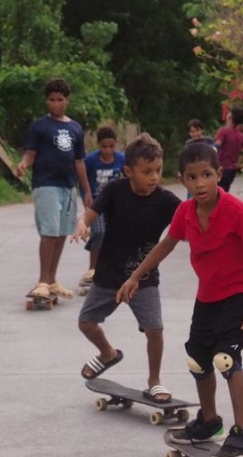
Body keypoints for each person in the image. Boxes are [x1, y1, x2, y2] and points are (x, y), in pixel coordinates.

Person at [118, 142, 243, 457]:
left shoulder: (237, 212)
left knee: (226, 359)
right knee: (198, 361)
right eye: (192, 177)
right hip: (208, 296)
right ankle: (209, 422)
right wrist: (136, 277)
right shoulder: (185, 213)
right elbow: (165, 246)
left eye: (206, 175)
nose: (200, 183)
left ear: (219, 175)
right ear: (182, 180)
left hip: (239, 294)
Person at [72, 133, 181, 403]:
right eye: (147, 172)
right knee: (86, 323)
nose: (154, 177)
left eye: (157, 170)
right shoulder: (114, 191)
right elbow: (90, 213)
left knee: (154, 329)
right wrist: (82, 223)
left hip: (144, 277)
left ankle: (154, 380)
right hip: (108, 273)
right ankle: (107, 353)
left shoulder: (167, 201)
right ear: (128, 171)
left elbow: (191, 221)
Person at [16, 78, 94, 300]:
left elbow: (79, 161)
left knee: (61, 233)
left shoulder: (75, 128)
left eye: (60, 100)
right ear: (46, 101)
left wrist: (86, 191)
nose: (56, 104)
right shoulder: (39, 126)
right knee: (49, 232)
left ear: (67, 101)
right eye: (52, 100)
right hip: (46, 184)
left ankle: (52, 280)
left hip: (68, 187)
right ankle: (42, 280)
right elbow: (30, 154)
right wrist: (23, 164)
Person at [80, 126, 126, 285]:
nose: (108, 150)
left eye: (111, 146)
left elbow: (130, 178)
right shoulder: (91, 160)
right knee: (99, 232)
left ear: (116, 144)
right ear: (99, 145)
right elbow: (83, 180)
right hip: (96, 203)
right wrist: (85, 197)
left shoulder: (121, 159)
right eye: (104, 147)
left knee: (114, 235)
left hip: (115, 204)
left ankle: (111, 270)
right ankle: (92, 270)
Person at [214, 108, 243, 193]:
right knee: (224, 194)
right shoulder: (240, 136)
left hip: (220, 169)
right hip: (231, 171)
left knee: (215, 196)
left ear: (230, 117)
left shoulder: (223, 132)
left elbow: (216, 147)